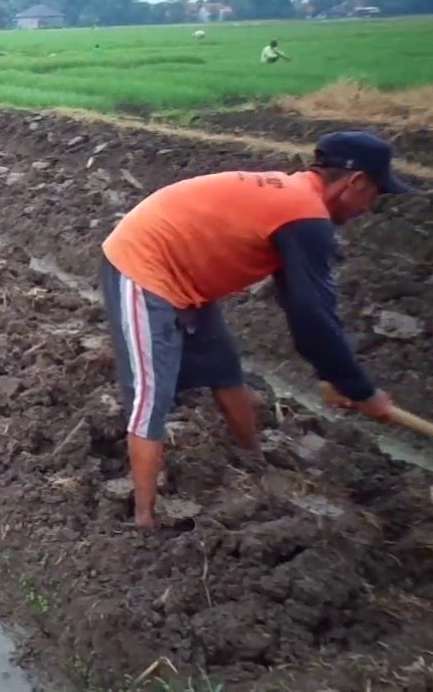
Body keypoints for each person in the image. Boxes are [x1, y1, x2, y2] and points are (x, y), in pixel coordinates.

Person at [99, 132, 412, 529]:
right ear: (356, 183)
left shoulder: (295, 206)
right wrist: (361, 391)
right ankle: (144, 519)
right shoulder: (304, 214)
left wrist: (333, 376)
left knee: (225, 368)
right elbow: (311, 315)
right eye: (375, 195)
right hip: (144, 265)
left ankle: (253, 460)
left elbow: (303, 305)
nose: (370, 207)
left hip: (188, 273)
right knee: (150, 394)